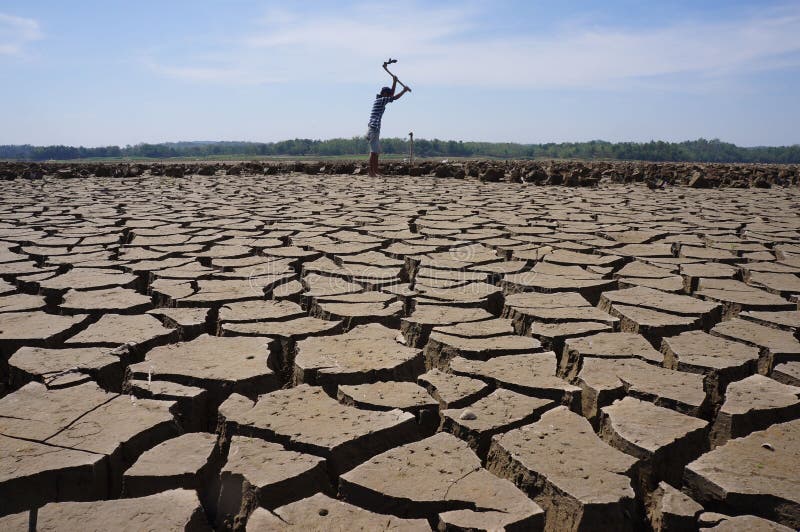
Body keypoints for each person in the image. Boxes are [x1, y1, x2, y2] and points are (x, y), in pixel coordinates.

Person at [366, 75, 410, 177]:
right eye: (388, 93)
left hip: (375, 129)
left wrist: (394, 81)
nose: (389, 95)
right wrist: (403, 90)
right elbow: (393, 97)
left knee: (376, 152)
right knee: (373, 152)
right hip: (373, 129)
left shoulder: (381, 100)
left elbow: (391, 95)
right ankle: (371, 172)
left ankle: (375, 171)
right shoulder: (380, 100)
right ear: (384, 94)